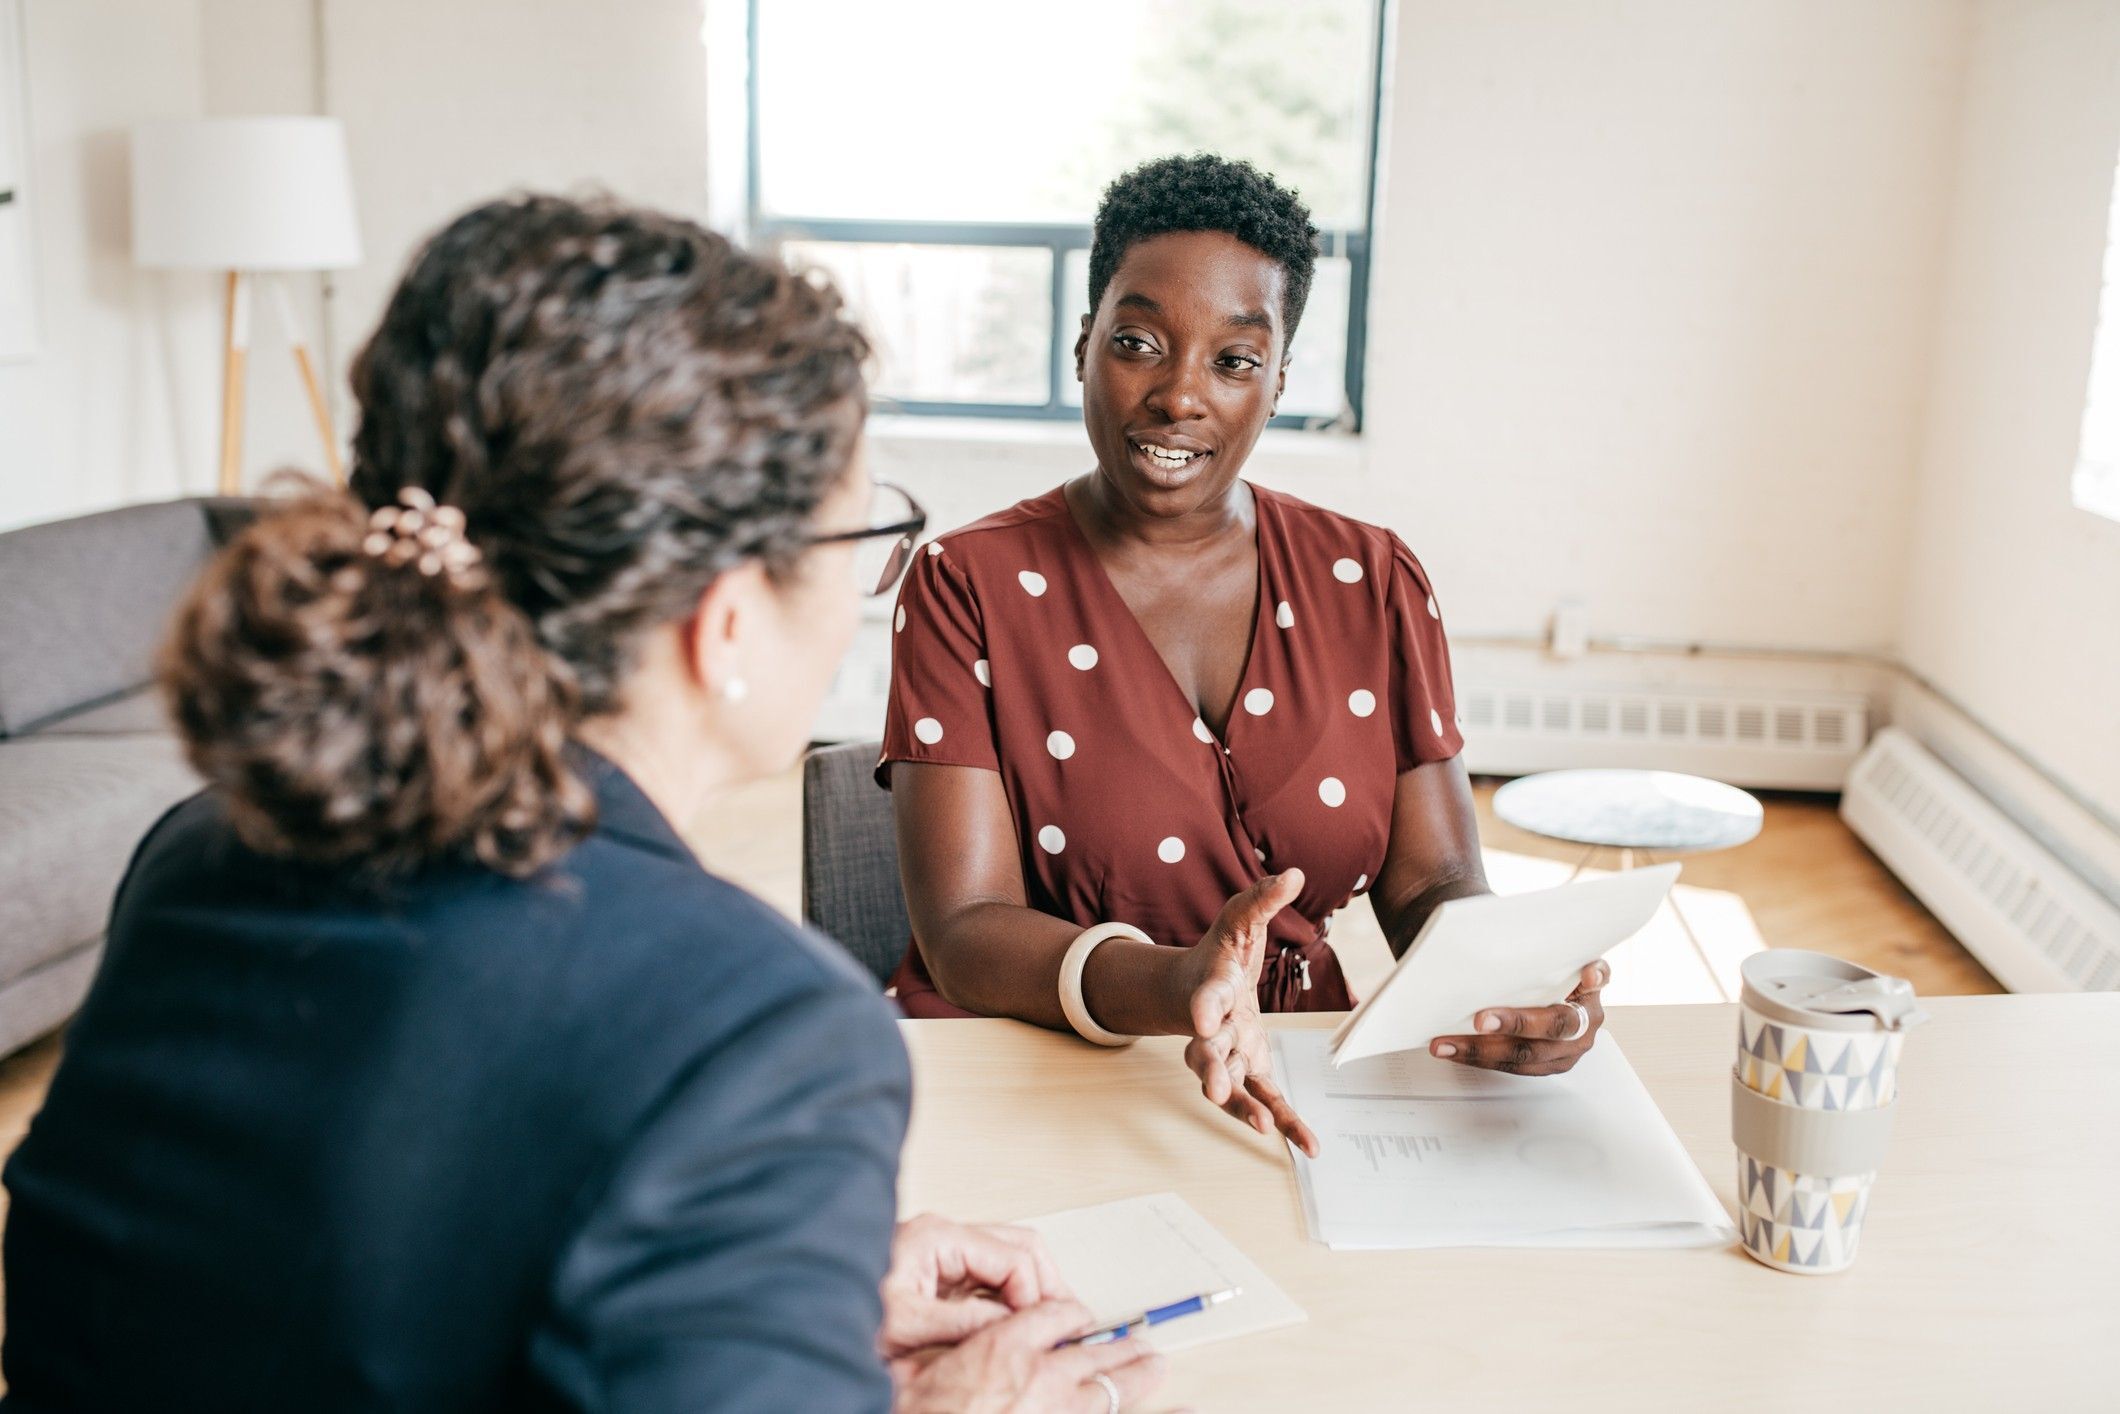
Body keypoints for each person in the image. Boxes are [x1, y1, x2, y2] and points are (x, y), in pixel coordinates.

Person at [1, 194, 1162, 1414]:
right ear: (722, 622)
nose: (862, 600)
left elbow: (295, 1274)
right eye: (860, 539)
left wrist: (746, 1287)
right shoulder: (759, 1033)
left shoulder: (205, 847)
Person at [880, 155, 1612, 1153]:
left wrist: (1507, 989)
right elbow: (963, 931)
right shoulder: (966, 585)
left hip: (1296, 1075)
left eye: (1232, 360)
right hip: (1030, 1075)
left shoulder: (1374, 579)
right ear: (1081, 347)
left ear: (1275, 381)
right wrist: (1178, 982)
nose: (1181, 394)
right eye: (1137, 342)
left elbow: (1431, 878)